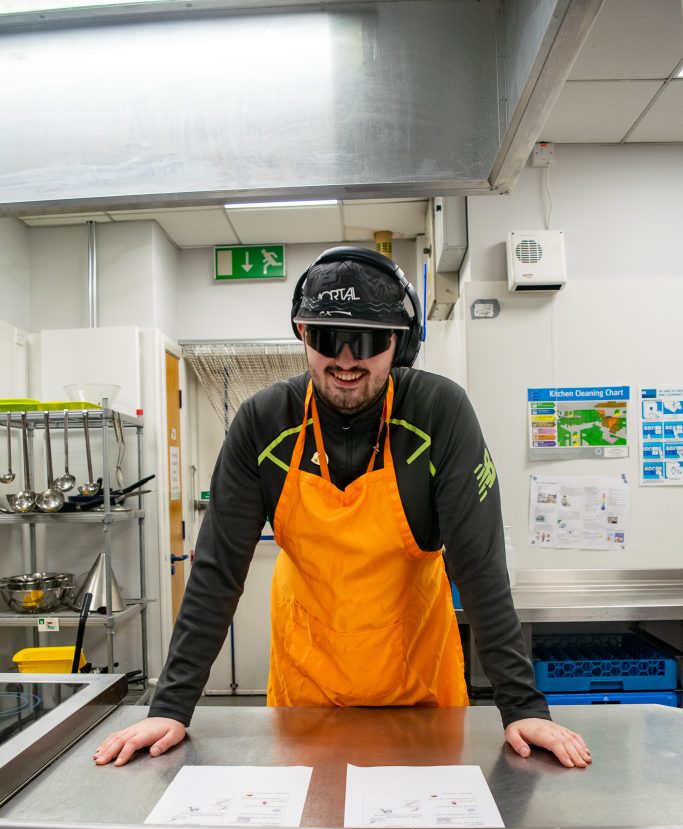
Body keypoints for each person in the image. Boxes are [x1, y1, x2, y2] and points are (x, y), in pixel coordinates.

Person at [95, 246, 591, 770]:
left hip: (418, 683)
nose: (348, 359)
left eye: (370, 340)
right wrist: (170, 705)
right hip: (307, 687)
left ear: (399, 344)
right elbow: (217, 572)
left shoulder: (440, 414)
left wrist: (522, 707)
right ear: (303, 336)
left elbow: (480, 565)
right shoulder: (263, 424)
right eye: (329, 337)